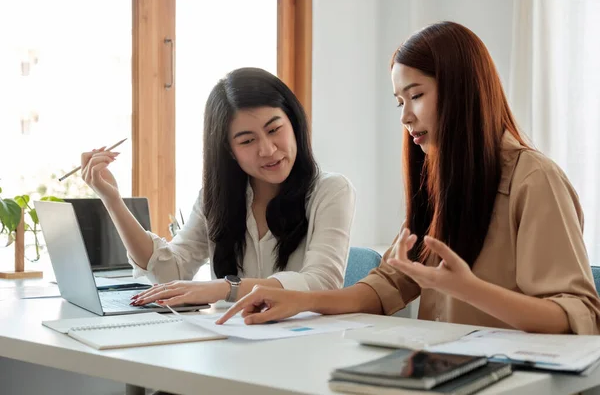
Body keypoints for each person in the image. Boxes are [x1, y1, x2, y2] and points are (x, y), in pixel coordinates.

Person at [216, 22, 600, 335]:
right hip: (443, 368)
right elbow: (389, 284)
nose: (405, 117)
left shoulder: (534, 180)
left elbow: (575, 317)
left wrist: (467, 289)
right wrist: (301, 301)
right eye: (400, 102)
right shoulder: (444, 180)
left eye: (415, 95)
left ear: (461, 90)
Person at [80, 67, 356, 307]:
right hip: (231, 345)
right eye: (247, 141)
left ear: (293, 123)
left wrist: (226, 288)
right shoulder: (216, 200)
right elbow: (169, 272)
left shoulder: (331, 191)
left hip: (305, 346)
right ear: (229, 151)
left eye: (274, 130)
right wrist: (112, 200)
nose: (268, 150)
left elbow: (322, 283)